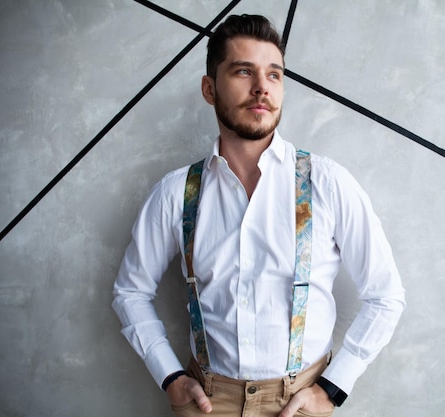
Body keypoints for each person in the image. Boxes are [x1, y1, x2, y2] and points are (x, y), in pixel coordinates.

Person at [112, 14, 405, 417]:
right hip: (207, 403)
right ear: (209, 89)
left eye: (274, 75)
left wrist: (333, 388)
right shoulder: (178, 192)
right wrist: (169, 376)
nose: (262, 87)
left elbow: (386, 296)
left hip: (300, 401)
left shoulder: (327, 183)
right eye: (243, 71)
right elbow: (130, 291)